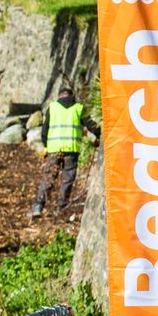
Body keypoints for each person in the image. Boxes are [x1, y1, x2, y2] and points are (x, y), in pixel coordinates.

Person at [31, 87, 100, 218]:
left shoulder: (53, 108)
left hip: (54, 149)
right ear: (72, 96)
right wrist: (99, 135)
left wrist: (46, 145)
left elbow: (44, 131)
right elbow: (93, 126)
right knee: (67, 179)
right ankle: (61, 208)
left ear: (59, 96)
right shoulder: (79, 108)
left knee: (49, 177)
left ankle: (38, 206)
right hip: (72, 149)